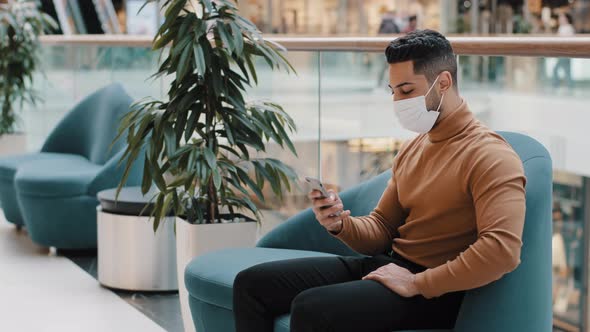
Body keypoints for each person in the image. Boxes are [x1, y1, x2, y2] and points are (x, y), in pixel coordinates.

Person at [233, 30, 526, 332]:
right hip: (391, 266)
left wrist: (416, 283)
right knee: (251, 284)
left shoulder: (491, 155)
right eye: (393, 91)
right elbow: (382, 229)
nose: (397, 101)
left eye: (406, 90)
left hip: (438, 292)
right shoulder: (414, 147)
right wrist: (340, 224)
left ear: (443, 82)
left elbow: (501, 250)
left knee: (312, 308)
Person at [376, 10, 400, 88]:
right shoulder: (391, 25)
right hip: (389, 50)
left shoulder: (383, 24)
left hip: (383, 50)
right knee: (389, 67)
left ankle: (381, 84)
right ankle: (388, 85)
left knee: (384, 68)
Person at [553, 13, 575, 89]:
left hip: (566, 52)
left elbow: (569, 40)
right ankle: (569, 86)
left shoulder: (569, 27)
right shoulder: (561, 27)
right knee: (567, 71)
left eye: (561, 18)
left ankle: (556, 85)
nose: (560, 19)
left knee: (557, 69)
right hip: (562, 52)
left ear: (566, 18)